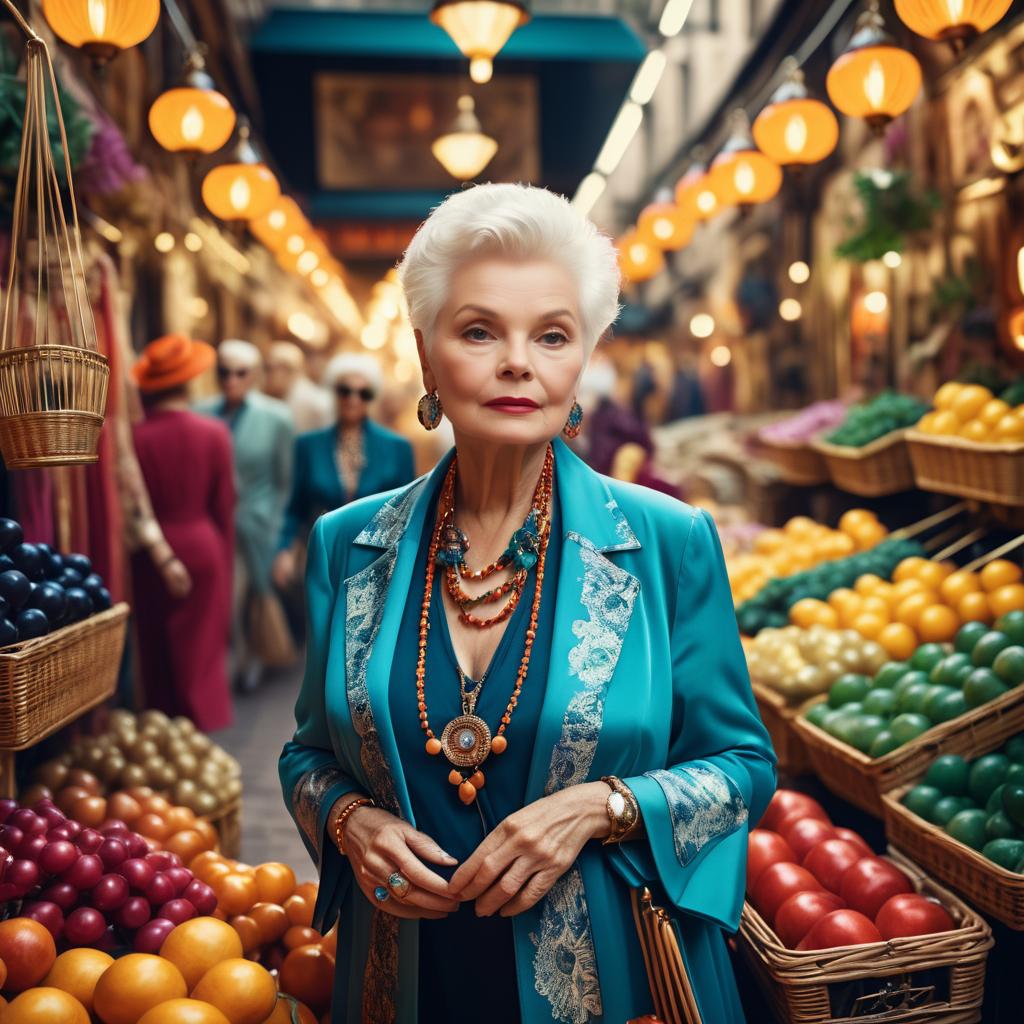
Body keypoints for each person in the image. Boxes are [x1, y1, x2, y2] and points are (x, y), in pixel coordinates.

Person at [279, 183, 775, 1023]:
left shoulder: (665, 541)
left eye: (552, 335)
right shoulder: (348, 542)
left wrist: (603, 807)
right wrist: (348, 819)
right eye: (480, 331)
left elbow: (742, 770)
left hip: (613, 979)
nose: (519, 362)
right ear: (426, 354)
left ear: (581, 360)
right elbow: (306, 755)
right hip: (403, 979)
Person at [129, 334, 235, 731]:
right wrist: (225, 561)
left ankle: (162, 722)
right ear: (190, 382)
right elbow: (223, 506)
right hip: (202, 542)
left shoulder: (136, 438)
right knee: (201, 645)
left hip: (152, 550)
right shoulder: (214, 433)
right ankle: (199, 724)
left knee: (156, 643)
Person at [196, 340, 295, 691]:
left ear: (253, 376)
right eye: (224, 372)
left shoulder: (277, 418)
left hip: (257, 520)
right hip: (212, 522)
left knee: (248, 592)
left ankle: (247, 659)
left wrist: (279, 528)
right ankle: (231, 660)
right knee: (220, 596)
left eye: (240, 373)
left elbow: (286, 480)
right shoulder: (202, 412)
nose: (231, 380)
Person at [272, 352, 415, 590]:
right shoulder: (308, 446)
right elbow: (296, 507)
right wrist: (284, 550)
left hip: (376, 563)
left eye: (363, 393)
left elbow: (408, 513)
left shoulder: (397, 448)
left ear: (372, 396)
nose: (353, 399)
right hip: (323, 557)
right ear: (334, 392)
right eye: (345, 391)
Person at [264, 341, 333, 434]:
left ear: (285, 369)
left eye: (269, 368)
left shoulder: (315, 401)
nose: (268, 375)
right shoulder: (282, 395)